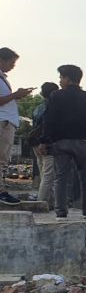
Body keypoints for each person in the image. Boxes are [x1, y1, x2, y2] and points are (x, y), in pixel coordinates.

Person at [38, 65, 86, 218]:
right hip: (83, 143)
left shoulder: (55, 96)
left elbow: (49, 121)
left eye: (61, 77)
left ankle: (61, 210)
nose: (60, 81)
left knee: (61, 177)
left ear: (67, 78)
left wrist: (44, 141)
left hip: (61, 143)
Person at [0, 47, 33, 205]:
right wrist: (15, 95)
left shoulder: (3, 78)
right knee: (1, 159)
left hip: (6, 121)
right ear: (2, 60)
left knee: (3, 159)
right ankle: (1, 192)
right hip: (2, 122)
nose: (13, 66)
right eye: (12, 63)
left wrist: (16, 96)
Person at [29, 82, 60, 208]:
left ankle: (51, 203)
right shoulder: (53, 107)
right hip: (47, 144)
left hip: (35, 143)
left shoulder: (37, 108)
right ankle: (41, 203)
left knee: (44, 174)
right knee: (48, 175)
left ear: (42, 93)